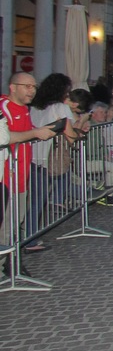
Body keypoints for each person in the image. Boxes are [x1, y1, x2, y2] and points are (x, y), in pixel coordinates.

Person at [2, 73, 60, 273]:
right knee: (7, 224)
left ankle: (10, 263)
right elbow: (6, 136)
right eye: (26, 86)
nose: (32, 91)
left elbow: (26, 131)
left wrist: (42, 130)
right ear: (12, 87)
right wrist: (35, 133)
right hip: (6, 176)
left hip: (21, 174)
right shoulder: (4, 107)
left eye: (34, 87)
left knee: (14, 222)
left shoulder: (24, 109)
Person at [26, 74, 90, 251]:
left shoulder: (36, 107)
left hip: (34, 156)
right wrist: (83, 122)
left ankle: (28, 235)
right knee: (38, 201)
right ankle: (30, 239)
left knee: (34, 200)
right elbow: (71, 136)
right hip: (48, 157)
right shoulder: (60, 107)